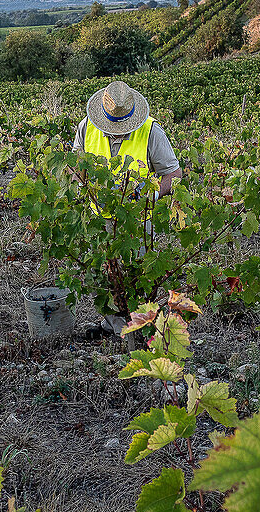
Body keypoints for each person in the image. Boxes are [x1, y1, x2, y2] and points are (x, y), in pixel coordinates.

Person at [74, 80, 183, 336]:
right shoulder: (86, 127)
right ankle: (113, 325)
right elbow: (76, 163)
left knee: (138, 274)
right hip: (98, 217)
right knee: (104, 273)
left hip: (137, 219)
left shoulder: (150, 131)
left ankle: (141, 328)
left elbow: (174, 173)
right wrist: (82, 184)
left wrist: (153, 194)